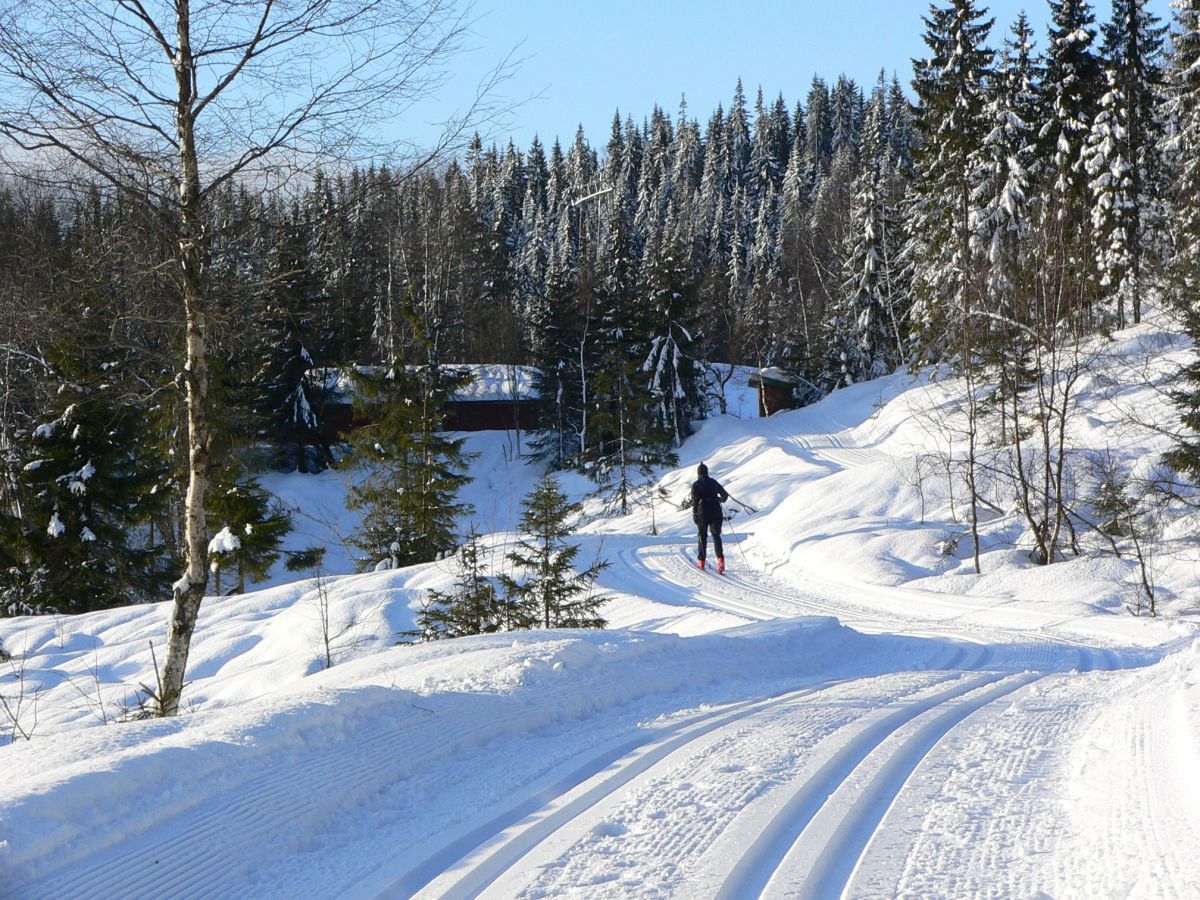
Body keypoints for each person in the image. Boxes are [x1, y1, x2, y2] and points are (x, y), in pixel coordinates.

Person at [689, 462, 729, 574]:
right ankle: (720, 560)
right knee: (716, 535)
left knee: (702, 536)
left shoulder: (696, 484)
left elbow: (695, 502)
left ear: (698, 473)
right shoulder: (714, 482)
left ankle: (701, 561)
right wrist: (718, 500)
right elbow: (725, 496)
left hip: (703, 511)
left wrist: (695, 514)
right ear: (707, 472)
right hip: (716, 511)